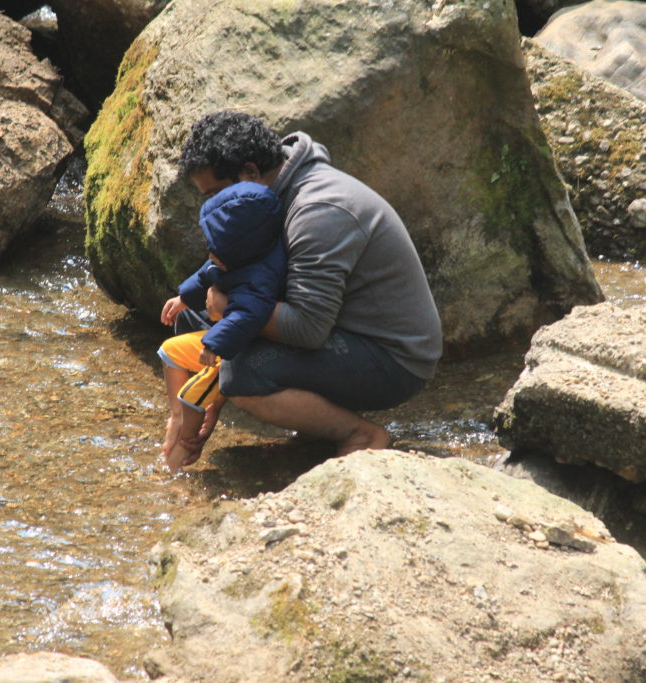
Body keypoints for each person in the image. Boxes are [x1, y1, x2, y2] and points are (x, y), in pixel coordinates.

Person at [170, 110, 442, 463]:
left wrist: (226, 311)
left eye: (214, 194)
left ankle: (360, 435)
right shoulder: (263, 198)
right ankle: (315, 429)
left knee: (241, 373)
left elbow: (307, 327)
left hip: (394, 357)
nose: (212, 208)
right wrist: (202, 400)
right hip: (341, 330)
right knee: (191, 321)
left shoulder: (318, 209)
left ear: (250, 172)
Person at [158, 180, 286, 472]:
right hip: (221, 340)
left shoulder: (260, 276)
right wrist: (183, 299)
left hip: (239, 348)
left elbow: (248, 316)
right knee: (170, 351)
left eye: (216, 249)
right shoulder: (230, 258)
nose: (210, 253)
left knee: (193, 394)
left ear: (241, 250)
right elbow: (206, 275)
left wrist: (215, 342)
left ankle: (179, 455)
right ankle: (177, 417)